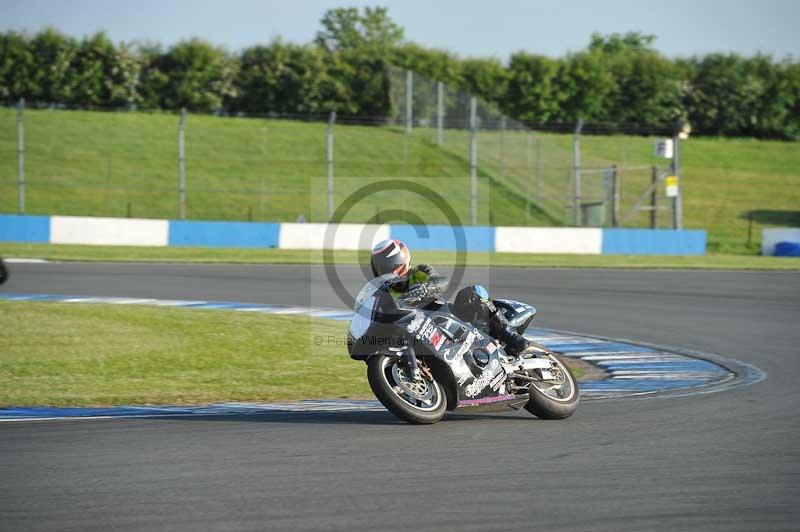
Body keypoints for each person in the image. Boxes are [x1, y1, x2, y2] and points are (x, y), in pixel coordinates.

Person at [369, 239, 529, 356]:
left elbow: (443, 282)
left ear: (399, 261)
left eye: (386, 266)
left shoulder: (419, 272)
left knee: (473, 292)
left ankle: (510, 335)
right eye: (380, 267)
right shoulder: (384, 291)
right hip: (416, 331)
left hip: (447, 318)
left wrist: (426, 287)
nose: (384, 271)